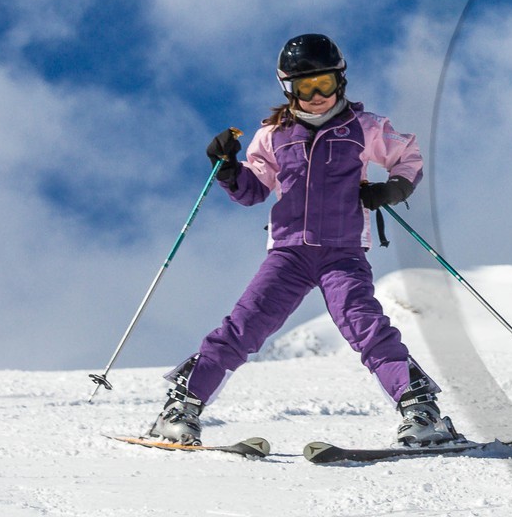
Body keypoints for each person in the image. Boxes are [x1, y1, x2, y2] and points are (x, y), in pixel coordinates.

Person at [146, 34, 460, 447]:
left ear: (341, 81)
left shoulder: (364, 128)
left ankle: (421, 411)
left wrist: (392, 189)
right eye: (304, 87)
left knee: (366, 327)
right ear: (288, 89)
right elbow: (253, 189)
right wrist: (226, 168)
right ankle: (180, 408)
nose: (316, 96)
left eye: (324, 84)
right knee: (243, 327)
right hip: (288, 254)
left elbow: (408, 156)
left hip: (342, 252)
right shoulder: (273, 135)